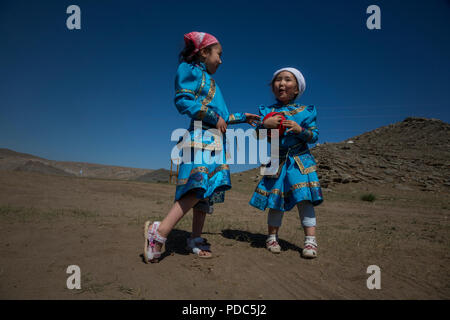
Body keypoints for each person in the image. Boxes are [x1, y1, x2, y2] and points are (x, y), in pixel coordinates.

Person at [144, 31, 260, 263]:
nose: (221, 60)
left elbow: (223, 116)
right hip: (200, 138)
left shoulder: (214, 84)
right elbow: (183, 100)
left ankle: (195, 238)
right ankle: (160, 231)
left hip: (216, 143)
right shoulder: (190, 70)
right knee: (196, 187)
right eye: (219, 54)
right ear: (204, 52)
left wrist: (242, 117)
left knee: (205, 193)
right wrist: (210, 115)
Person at [249, 67, 323, 258]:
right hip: (277, 159)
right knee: (276, 200)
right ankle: (272, 237)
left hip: (300, 161)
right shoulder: (267, 112)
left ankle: (310, 241)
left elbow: (314, 136)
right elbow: (258, 135)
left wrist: (300, 130)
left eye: (288, 80)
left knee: (304, 198)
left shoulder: (307, 112)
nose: (281, 83)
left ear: (297, 89)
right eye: (278, 80)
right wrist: (264, 125)